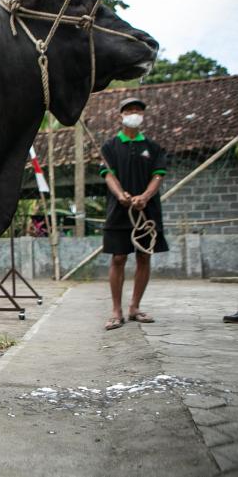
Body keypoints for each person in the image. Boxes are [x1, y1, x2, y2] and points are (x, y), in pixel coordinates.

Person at [100, 97, 169, 331]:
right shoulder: (110, 147)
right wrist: (121, 195)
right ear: (121, 115)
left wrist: (145, 197)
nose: (134, 114)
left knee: (144, 256)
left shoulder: (153, 147)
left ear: (143, 115)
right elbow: (108, 175)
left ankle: (135, 307)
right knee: (118, 257)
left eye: (138, 110)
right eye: (129, 110)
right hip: (119, 210)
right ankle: (116, 311)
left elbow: (158, 175)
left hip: (147, 211)